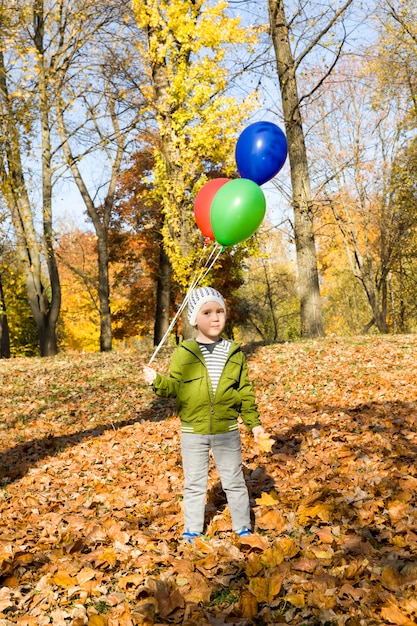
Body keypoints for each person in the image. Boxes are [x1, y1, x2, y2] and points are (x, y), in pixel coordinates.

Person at [143, 286, 265, 543]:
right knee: (195, 483)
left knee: (234, 480)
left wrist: (254, 424)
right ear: (194, 319)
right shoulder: (184, 353)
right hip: (193, 432)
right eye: (207, 312)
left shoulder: (234, 353)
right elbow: (174, 387)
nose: (215, 317)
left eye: (220, 311)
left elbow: (244, 391)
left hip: (226, 431)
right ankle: (192, 530)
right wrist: (156, 380)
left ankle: (243, 527)